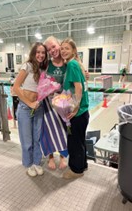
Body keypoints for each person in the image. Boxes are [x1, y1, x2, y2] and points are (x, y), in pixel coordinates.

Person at [42, 36, 89, 170]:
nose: (53, 50)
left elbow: (78, 83)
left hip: (67, 105)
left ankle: (63, 157)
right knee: (49, 130)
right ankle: (51, 157)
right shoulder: (47, 65)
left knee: (65, 131)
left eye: (54, 46)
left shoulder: (69, 63)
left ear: (59, 45)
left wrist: (85, 75)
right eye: (49, 49)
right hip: (51, 104)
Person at [13, 42, 48, 177]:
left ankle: (36, 162)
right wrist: (29, 103)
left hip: (38, 108)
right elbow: (16, 88)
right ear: (33, 53)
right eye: (38, 52)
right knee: (27, 140)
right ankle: (28, 164)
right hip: (25, 108)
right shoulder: (26, 66)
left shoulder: (43, 69)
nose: (40, 55)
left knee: (37, 138)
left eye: (43, 53)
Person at [60, 38, 89, 179]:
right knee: (80, 140)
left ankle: (76, 170)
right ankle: (82, 164)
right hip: (84, 112)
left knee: (74, 142)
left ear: (73, 50)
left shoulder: (71, 64)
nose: (63, 51)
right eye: (62, 48)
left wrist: (75, 108)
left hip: (78, 113)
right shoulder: (77, 64)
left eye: (67, 48)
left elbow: (79, 88)